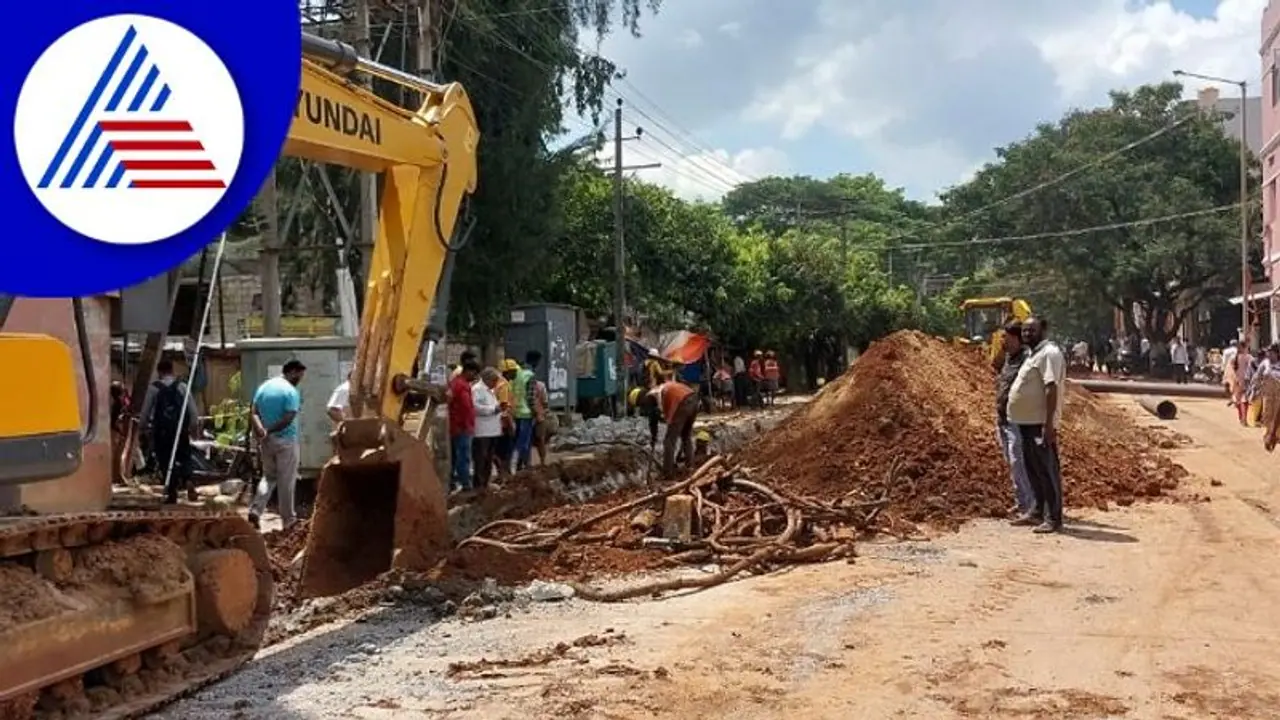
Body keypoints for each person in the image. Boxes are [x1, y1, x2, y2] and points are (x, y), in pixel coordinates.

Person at [1006, 317, 1066, 534]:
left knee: (1047, 470)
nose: (1026, 334)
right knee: (1033, 468)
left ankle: (1054, 518)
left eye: (1031, 330)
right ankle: (1037, 511)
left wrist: (1048, 424)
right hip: (1026, 422)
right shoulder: (1035, 354)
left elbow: (1051, 388)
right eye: (1024, 331)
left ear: (1044, 331)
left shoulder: (1049, 353)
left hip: (1039, 423)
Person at [248, 360, 306, 530]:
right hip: (285, 441)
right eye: (300, 375)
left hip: (266, 441)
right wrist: (270, 429)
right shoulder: (290, 391)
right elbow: (289, 417)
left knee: (268, 477)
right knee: (286, 481)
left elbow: (254, 412)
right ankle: (288, 520)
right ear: (293, 372)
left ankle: (256, 510)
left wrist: (261, 430)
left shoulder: (264, 387)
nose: (300, 379)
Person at [139, 358, 200, 504]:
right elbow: (193, 410)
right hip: (180, 430)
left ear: (159, 372)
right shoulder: (182, 386)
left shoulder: (154, 388)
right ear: (172, 371)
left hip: (161, 432)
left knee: (165, 460)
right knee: (184, 456)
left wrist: (142, 427)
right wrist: (193, 427)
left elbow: (145, 411)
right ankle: (188, 480)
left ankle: (172, 492)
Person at [994, 322, 1034, 519]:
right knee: (1012, 462)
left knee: (1020, 461)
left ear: (1018, 339)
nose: (1003, 342)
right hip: (1003, 418)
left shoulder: (1027, 359)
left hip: (1018, 419)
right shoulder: (1009, 357)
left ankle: (1031, 506)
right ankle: (1021, 501)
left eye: (1007, 339)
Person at [642, 378, 700, 477]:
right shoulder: (659, 390)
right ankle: (690, 466)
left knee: (669, 441)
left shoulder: (650, 397)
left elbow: (653, 419)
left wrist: (653, 437)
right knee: (686, 436)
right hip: (694, 399)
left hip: (682, 402)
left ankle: (667, 472)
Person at [447, 359, 479, 492]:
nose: (475, 377)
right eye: (474, 373)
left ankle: (452, 482)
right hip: (462, 427)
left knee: (456, 456)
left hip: (458, 425)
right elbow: (465, 408)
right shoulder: (461, 385)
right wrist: (467, 426)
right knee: (463, 455)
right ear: (468, 371)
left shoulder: (456, 384)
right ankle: (465, 483)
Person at [472, 367, 503, 490]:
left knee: (488, 459)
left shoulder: (490, 390)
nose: (495, 384)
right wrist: (492, 410)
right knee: (481, 458)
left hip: (492, 430)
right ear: (487, 379)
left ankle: (485, 482)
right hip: (482, 431)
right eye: (494, 381)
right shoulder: (477, 390)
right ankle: (479, 484)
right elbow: (475, 408)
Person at [512, 350, 541, 471]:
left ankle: (519, 465)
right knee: (524, 442)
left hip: (516, 412)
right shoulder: (530, 375)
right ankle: (521, 465)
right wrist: (537, 413)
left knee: (518, 441)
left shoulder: (518, 373)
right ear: (536, 361)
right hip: (526, 413)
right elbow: (530, 398)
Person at [494, 359, 518, 478]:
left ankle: (502, 473)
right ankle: (504, 474)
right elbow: (504, 407)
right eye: (514, 371)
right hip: (504, 424)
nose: (516, 373)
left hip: (497, 423)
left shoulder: (498, 383)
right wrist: (510, 425)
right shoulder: (504, 385)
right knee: (506, 451)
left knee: (499, 450)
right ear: (507, 372)